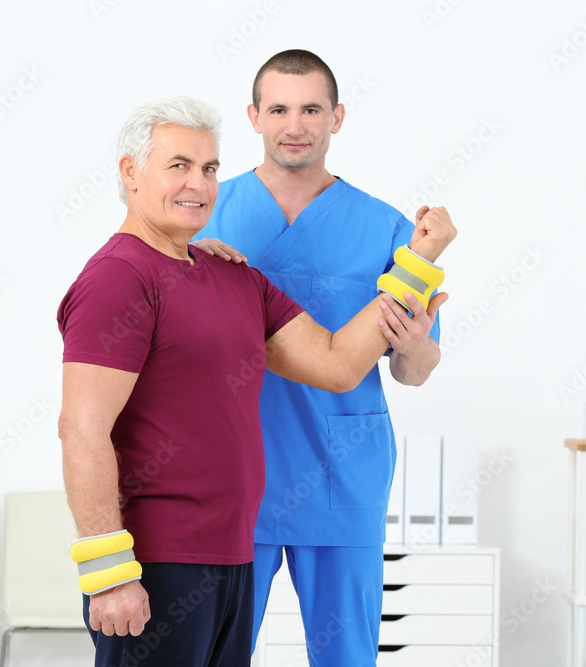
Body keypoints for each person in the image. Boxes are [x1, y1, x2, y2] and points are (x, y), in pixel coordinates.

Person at [56, 94, 447, 667]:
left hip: (234, 556)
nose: (199, 183)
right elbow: (82, 429)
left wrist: (416, 260)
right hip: (158, 559)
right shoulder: (119, 279)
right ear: (130, 173)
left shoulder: (235, 279)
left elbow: (337, 364)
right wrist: (108, 572)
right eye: (179, 166)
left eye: (210, 168)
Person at [191, 49, 457, 666]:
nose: (295, 124)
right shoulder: (205, 215)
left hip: (342, 472)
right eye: (279, 109)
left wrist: (415, 346)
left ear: (336, 118)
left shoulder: (390, 230)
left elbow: (413, 372)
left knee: (346, 656)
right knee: (215, 654)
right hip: (234, 473)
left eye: (311, 109)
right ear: (253, 117)